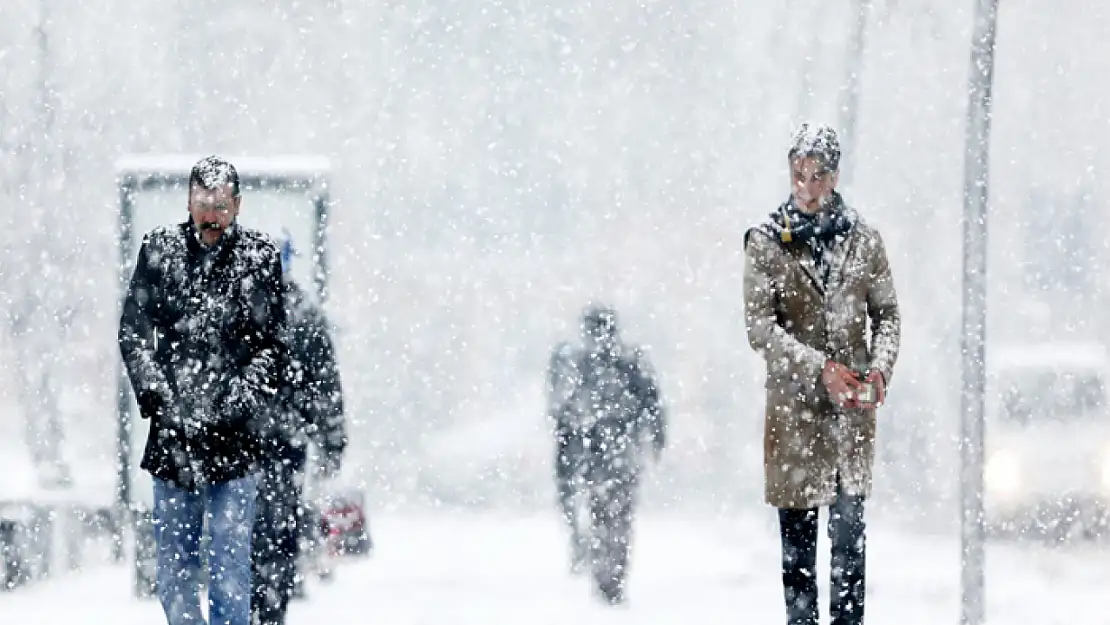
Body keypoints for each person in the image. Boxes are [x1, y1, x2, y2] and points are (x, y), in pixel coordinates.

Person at [119, 155, 288, 625]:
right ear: (188, 202)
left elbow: (275, 346)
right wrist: (157, 394)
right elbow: (133, 333)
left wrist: (238, 400)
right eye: (202, 204)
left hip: (236, 440)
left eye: (220, 205)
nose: (211, 216)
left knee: (231, 570)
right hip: (173, 441)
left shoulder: (259, 257)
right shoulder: (159, 251)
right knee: (174, 572)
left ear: (238, 204)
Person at [743, 122, 901, 625]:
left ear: (834, 178)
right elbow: (761, 329)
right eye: (798, 175)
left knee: (850, 549)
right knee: (798, 559)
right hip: (794, 423)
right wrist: (820, 370)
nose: (806, 188)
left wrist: (878, 371)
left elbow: (888, 314)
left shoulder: (863, 242)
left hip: (851, 422)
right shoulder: (768, 243)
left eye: (817, 177)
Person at [251, 235, 347, 625]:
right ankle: (270, 609)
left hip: (240, 445)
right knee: (278, 532)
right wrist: (331, 441)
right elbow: (326, 386)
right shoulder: (304, 312)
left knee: (243, 534)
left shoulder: (237, 308)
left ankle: (250, 605)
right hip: (285, 444)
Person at [547, 305, 666, 605]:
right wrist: (654, 438)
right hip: (616, 455)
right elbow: (651, 402)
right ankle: (610, 574)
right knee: (615, 518)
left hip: (601, 455)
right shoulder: (623, 363)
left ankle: (607, 573)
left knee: (606, 515)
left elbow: (565, 413)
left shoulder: (587, 366)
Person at [546, 340, 588, 573]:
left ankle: (581, 540)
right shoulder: (580, 364)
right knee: (573, 497)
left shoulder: (568, 364)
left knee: (570, 497)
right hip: (578, 445)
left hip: (572, 445)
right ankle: (583, 540)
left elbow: (555, 407)